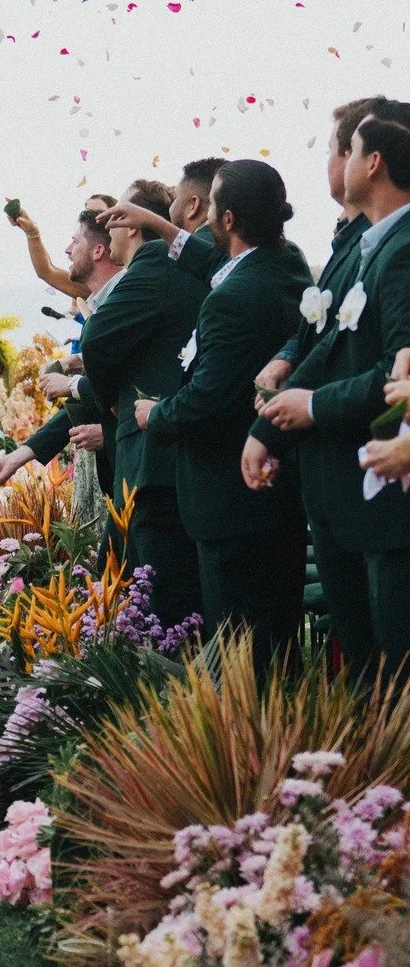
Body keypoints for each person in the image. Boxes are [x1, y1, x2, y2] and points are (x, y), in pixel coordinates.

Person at [250, 108, 410, 682]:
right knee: (368, 665)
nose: (330, 162)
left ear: (372, 162)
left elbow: (396, 373)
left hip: (379, 484)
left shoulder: (400, 249)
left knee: (390, 670)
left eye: (340, 148)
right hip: (346, 485)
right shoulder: (366, 243)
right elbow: (329, 336)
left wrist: (312, 404)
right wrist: (277, 407)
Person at [134, 162, 310, 669]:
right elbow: (218, 261)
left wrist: (156, 414)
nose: (204, 214)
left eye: (210, 206)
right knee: (277, 639)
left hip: (228, 494)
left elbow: (208, 395)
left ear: (228, 219)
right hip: (276, 494)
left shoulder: (232, 298)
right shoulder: (286, 263)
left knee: (239, 642)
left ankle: (246, 742)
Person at [80, 180, 207, 626]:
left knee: (155, 593)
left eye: (117, 215)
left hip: (151, 455)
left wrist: (109, 401)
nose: (108, 227)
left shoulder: (153, 263)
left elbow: (96, 341)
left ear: (133, 227)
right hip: (175, 454)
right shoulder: (189, 269)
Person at [0, 208, 122, 495]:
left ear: (98, 250)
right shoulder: (100, 304)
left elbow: (143, 389)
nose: (67, 250)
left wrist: (111, 433)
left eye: (75, 241)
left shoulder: (123, 303)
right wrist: (16, 458)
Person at [9, 193, 117, 301]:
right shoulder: (92, 285)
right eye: (87, 212)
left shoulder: (121, 283)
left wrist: (32, 233)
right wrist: (31, 232)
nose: (68, 251)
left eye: (97, 213)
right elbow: (48, 271)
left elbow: (48, 272)